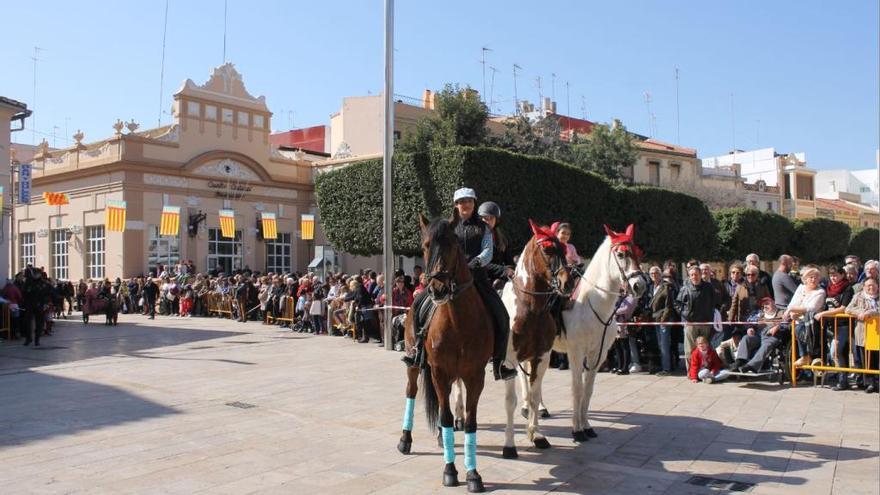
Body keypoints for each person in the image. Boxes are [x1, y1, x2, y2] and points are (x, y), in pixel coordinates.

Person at [404, 187, 516, 381]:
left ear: (474, 204)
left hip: (476, 278)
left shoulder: (484, 228)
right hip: (446, 278)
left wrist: (473, 263)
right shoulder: (447, 227)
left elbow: (488, 252)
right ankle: (416, 351)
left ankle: (499, 363)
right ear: (455, 205)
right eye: (461, 202)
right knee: (418, 305)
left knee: (503, 316)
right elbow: (435, 250)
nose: (465, 205)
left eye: (469, 201)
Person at [815, 266, 855, 391]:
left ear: (842, 275)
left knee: (835, 352)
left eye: (836, 275)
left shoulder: (847, 288)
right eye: (831, 275)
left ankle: (843, 379)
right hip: (830, 325)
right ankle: (841, 378)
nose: (833, 278)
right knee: (838, 353)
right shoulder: (829, 288)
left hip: (843, 325)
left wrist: (823, 314)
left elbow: (843, 308)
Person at [676, 265, 718, 372]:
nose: (694, 277)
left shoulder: (708, 287)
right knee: (690, 349)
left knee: (705, 349)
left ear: (700, 275)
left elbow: (714, 302)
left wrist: (709, 314)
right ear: (689, 276)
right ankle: (691, 372)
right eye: (691, 275)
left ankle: (705, 370)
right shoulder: (685, 289)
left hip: (705, 323)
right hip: (690, 324)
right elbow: (677, 304)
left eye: (696, 274)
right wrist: (685, 314)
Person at [786, 266, 827, 367]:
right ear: (805, 279)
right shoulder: (801, 288)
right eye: (811, 277)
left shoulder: (820, 292)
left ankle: (805, 356)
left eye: (816, 277)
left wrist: (793, 310)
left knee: (799, 328)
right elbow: (792, 304)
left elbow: (811, 307)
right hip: (797, 320)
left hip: (813, 322)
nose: (813, 279)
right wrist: (792, 312)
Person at [734, 297, 786, 373]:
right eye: (763, 305)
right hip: (759, 335)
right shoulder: (760, 314)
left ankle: (752, 366)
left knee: (766, 345)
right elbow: (750, 323)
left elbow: (789, 324)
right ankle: (740, 361)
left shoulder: (782, 313)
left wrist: (778, 327)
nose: (765, 306)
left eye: (767, 304)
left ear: (774, 303)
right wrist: (750, 328)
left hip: (772, 336)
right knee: (746, 338)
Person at [846, 278, 879, 393]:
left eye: (873, 285)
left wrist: (871, 312)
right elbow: (848, 309)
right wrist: (861, 312)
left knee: (877, 358)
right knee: (866, 358)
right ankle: (869, 383)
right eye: (868, 285)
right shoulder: (858, 296)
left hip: (877, 333)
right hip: (863, 333)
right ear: (864, 287)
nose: (871, 287)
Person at [479, 201, 515, 290]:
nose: (487, 221)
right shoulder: (476, 238)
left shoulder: (501, 238)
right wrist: (504, 271)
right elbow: (480, 263)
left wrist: (510, 268)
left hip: (500, 278)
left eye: (491, 218)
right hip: (482, 279)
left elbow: (509, 260)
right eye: (484, 218)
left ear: (496, 220)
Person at [650, 268, 678, 376]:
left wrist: (664, 319)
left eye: (656, 273)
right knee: (661, 344)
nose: (654, 275)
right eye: (651, 273)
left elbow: (669, 305)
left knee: (665, 344)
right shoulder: (652, 287)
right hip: (655, 319)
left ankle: (667, 369)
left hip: (663, 320)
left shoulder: (666, 286)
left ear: (660, 274)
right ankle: (666, 366)